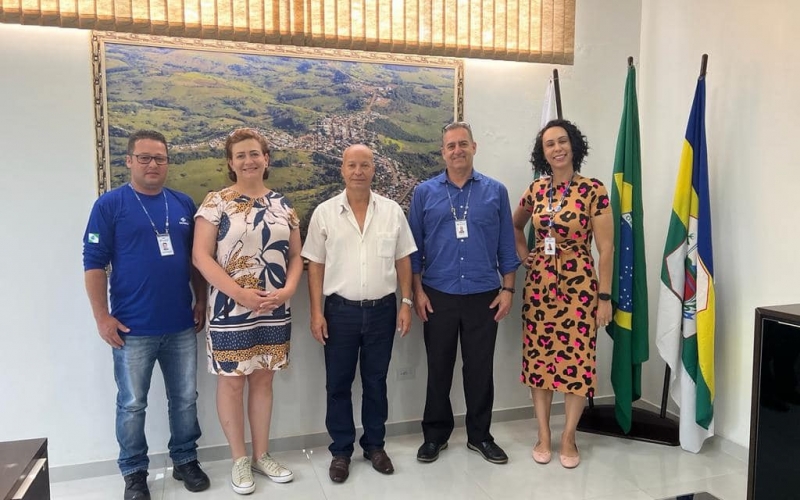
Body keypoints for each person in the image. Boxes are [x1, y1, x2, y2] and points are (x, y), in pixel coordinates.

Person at [83, 130, 210, 500]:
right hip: (130, 328)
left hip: (181, 325)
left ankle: (186, 459)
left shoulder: (184, 204)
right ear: (129, 161)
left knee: (185, 398)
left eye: (160, 158)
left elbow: (196, 263)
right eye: (145, 158)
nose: (153, 164)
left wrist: (200, 300)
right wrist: (101, 317)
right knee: (132, 403)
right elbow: (93, 263)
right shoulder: (110, 205)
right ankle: (135, 472)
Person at [192, 128, 302, 495]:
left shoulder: (284, 205)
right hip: (228, 309)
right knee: (232, 380)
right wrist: (241, 293)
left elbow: (297, 257)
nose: (248, 160)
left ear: (266, 159)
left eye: (254, 154)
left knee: (264, 379)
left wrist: (287, 289)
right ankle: (239, 459)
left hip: (274, 308)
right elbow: (201, 257)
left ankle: (262, 454)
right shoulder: (216, 202)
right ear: (230, 162)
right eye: (240, 155)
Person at [302, 144, 417, 483]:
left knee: (376, 382)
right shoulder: (325, 213)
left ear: (373, 169)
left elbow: (403, 260)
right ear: (342, 169)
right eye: (352, 165)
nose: (358, 171)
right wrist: (315, 313)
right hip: (339, 312)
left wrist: (406, 303)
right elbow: (315, 266)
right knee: (337, 385)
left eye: (364, 165)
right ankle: (340, 451)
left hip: (383, 310)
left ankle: (375, 445)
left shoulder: (392, 211)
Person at [408, 122, 520, 465]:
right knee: (438, 368)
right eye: (450, 146)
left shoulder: (495, 191)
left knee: (479, 370)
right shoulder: (424, 192)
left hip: (484, 294)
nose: (457, 150)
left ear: (474, 147)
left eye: (463, 144)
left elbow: (506, 243)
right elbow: (413, 250)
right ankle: (435, 436)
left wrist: (508, 289)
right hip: (437, 294)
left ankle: (480, 436)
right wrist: (417, 292)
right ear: (442, 152)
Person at [511, 119, 613, 469]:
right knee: (539, 362)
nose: (557, 148)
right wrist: (527, 256)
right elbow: (515, 225)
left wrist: (604, 297)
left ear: (574, 146)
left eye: (562, 141)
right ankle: (543, 433)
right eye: (549, 144)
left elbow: (607, 247)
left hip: (580, 288)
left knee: (576, 364)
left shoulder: (593, 190)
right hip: (539, 288)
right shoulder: (537, 190)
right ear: (542, 152)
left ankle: (569, 435)